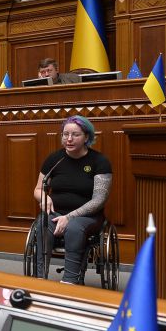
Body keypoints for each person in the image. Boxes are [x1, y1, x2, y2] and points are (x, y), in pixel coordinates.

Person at [32, 115, 111, 284]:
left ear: (87, 137)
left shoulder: (99, 161)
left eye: (75, 134)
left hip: (88, 217)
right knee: (42, 224)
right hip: (56, 213)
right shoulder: (54, 159)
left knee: (74, 228)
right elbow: (38, 189)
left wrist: (69, 217)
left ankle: (70, 281)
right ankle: (39, 279)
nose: (69, 139)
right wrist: (44, 197)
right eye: (65, 134)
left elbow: (99, 200)